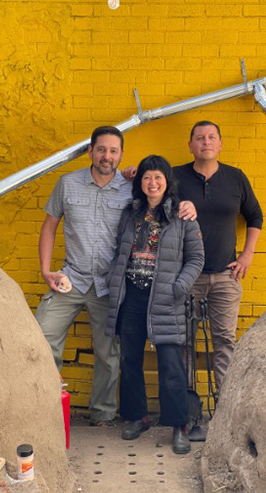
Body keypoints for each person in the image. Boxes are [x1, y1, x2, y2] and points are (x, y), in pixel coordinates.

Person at [36, 126, 196, 426]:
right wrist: (46, 271)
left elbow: (161, 199)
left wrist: (187, 203)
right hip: (70, 277)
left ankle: (103, 413)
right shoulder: (67, 184)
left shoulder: (131, 188)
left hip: (110, 285)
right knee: (42, 339)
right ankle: (43, 411)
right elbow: (49, 226)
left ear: (121, 155)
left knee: (109, 354)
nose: (106, 156)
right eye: (101, 149)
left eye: (113, 151)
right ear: (90, 151)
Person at [105, 155, 204, 454]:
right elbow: (118, 251)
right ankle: (137, 418)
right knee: (130, 360)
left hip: (166, 297)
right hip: (132, 295)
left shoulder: (182, 216)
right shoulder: (130, 213)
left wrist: (179, 287)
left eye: (158, 177)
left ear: (167, 182)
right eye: (147, 177)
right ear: (140, 182)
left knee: (171, 365)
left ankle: (179, 427)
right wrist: (115, 281)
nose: (152, 183)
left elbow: (197, 259)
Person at [174, 121, 263, 440]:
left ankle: (224, 415)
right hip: (185, 276)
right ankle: (187, 415)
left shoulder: (235, 177)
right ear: (191, 145)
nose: (206, 142)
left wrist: (247, 255)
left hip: (226, 275)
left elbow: (255, 217)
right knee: (184, 343)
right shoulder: (176, 176)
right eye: (199, 137)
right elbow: (150, 203)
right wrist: (133, 174)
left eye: (212, 137)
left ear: (221, 144)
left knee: (224, 341)